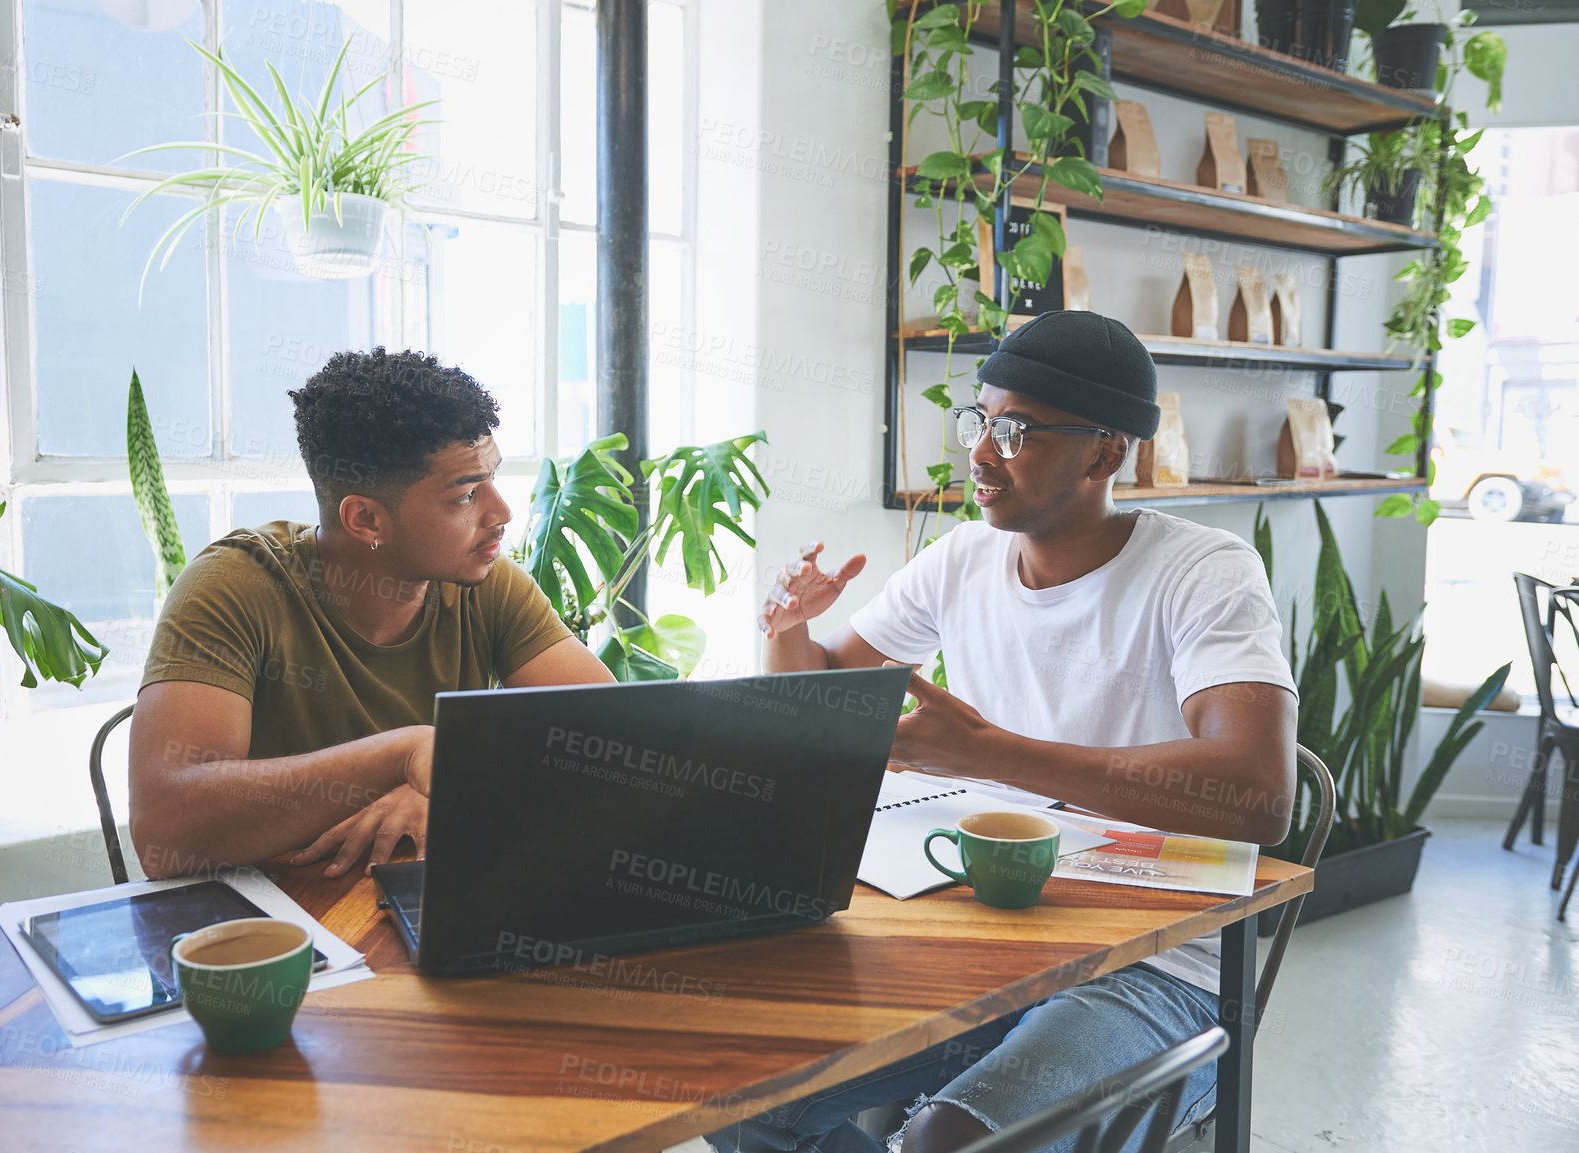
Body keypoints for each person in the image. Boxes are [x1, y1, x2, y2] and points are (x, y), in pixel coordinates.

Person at [722, 310, 1299, 1153]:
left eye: (1017, 430)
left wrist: (987, 752)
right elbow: (821, 714)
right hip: (991, 933)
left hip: (1157, 970)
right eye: (980, 421)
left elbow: (1257, 795)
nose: (981, 452)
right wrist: (786, 629)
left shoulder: (1203, 573)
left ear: (1104, 451)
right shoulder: (962, 561)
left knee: (942, 1143)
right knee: (744, 1101)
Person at [129, 348, 614, 882]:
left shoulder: (487, 583)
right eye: (466, 494)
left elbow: (616, 737)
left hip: (421, 891)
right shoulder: (235, 588)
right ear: (365, 519)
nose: (501, 513)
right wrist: (401, 754)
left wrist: (439, 782)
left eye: (492, 480)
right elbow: (162, 834)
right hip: (275, 921)